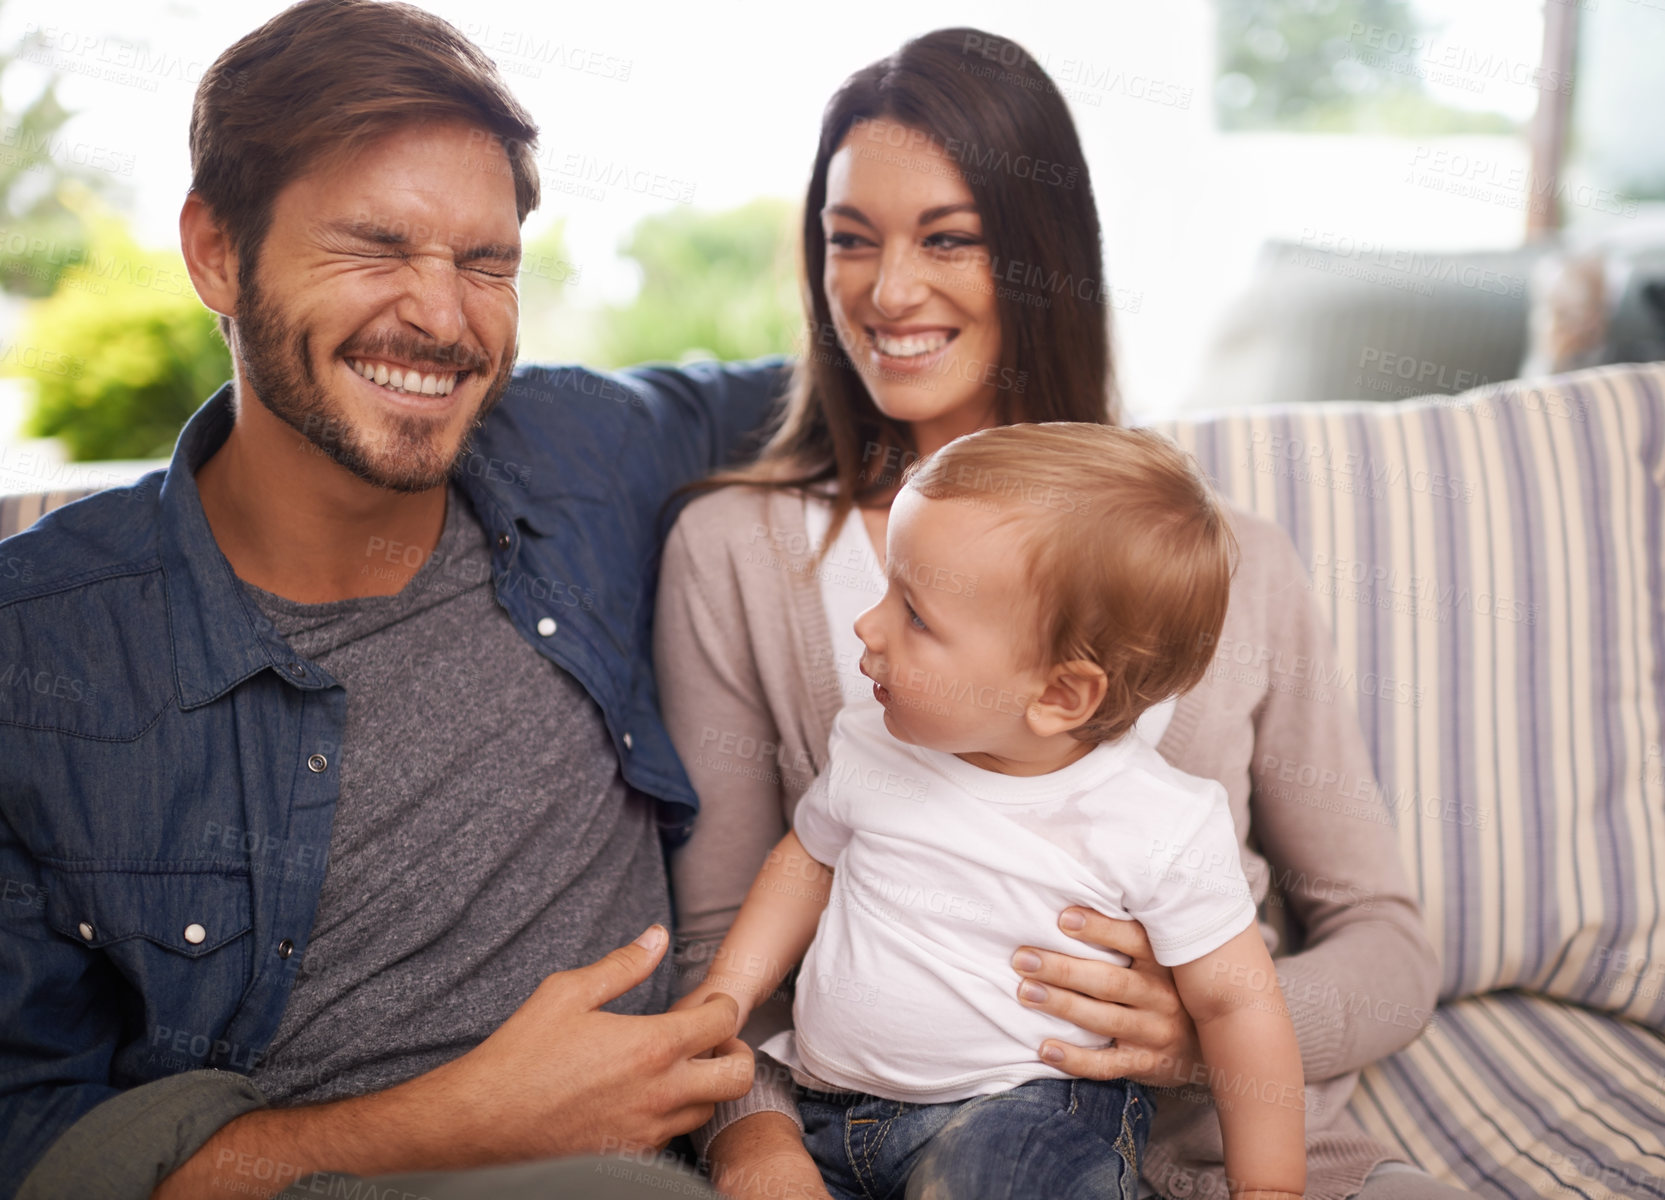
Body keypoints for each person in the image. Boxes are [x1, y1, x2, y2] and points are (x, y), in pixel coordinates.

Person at [654, 27, 1456, 1200]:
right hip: (860, 1148)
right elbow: (723, 943)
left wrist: (1197, 1033)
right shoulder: (730, 555)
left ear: (1040, 258)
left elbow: (1389, 947)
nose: (887, 291)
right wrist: (760, 1146)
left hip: (1219, 1155)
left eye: (948, 239)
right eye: (849, 241)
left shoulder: (1228, 564)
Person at [0, 2, 783, 1196]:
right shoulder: (39, 649)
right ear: (216, 250)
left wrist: (1168, 941)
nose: (442, 316)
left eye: (486, 264)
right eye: (375, 247)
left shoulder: (581, 448)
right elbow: (32, 1144)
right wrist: (458, 1122)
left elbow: (872, 369)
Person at [673, 423, 1308, 1200]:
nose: (866, 626)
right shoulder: (872, 743)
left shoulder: (1158, 821)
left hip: (1024, 1114)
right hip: (827, 1112)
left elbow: (1238, 1004)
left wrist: (1268, 1187)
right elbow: (805, 862)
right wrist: (726, 995)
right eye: (886, 586)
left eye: (915, 615)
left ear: (1058, 695)